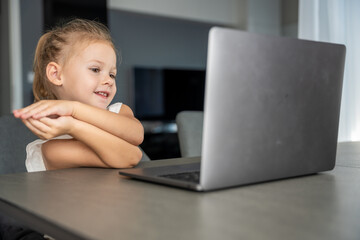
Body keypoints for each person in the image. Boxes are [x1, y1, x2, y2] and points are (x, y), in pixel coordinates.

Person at [13, 18, 144, 172]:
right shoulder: (51, 150)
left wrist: (74, 110)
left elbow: (137, 135)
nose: (109, 80)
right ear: (56, 74)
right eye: (95, 69)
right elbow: (131, 156)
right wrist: (73, 126)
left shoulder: (118, 111)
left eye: (112, 74)